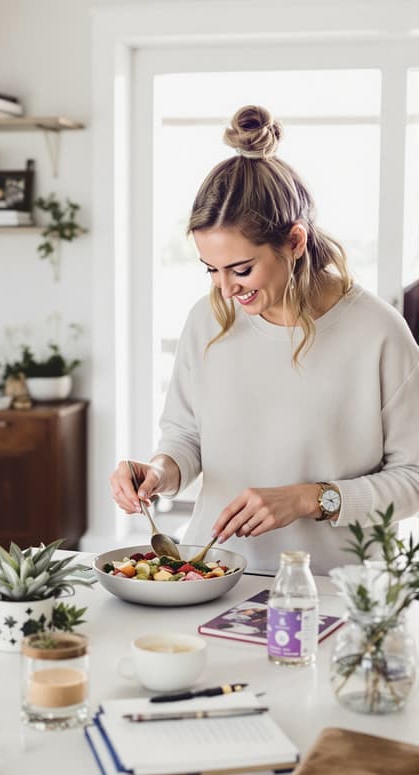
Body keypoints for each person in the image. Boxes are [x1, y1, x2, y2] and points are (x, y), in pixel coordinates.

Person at [110, 105, 419, 575]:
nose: (225, 289)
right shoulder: (207, 319)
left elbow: (413, 479)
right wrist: (158, 471)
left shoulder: (379, 332)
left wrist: (311, 498)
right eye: (211, 270)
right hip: (212, 576)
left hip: (333, 587)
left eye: (241, 269)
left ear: (294, 241)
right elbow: (185, 435)